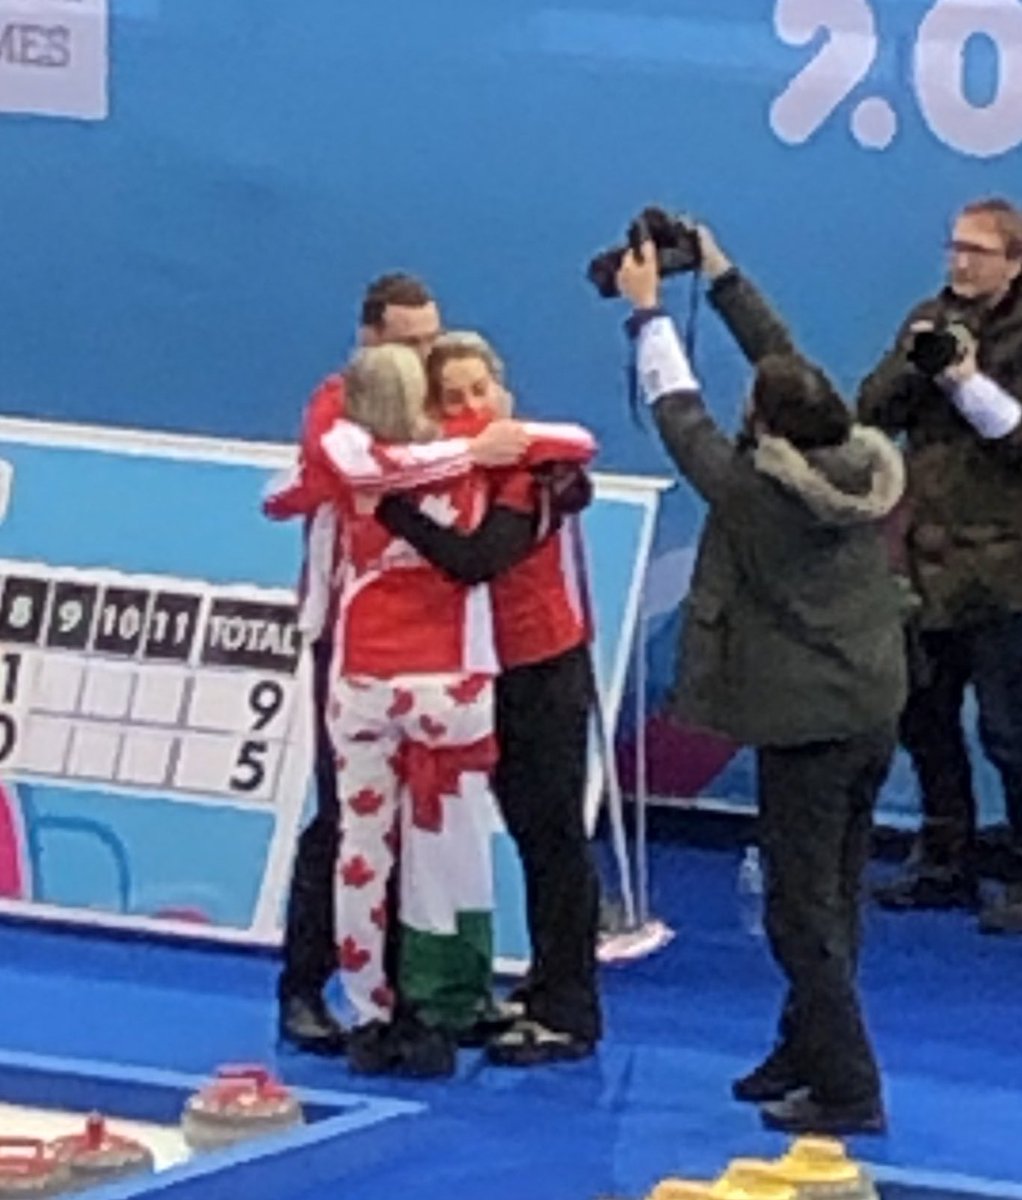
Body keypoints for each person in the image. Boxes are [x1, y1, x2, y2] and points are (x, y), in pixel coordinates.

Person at [614, 227, 906, 1135]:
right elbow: (789, 364)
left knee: (797, 914)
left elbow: (679, 414)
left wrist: (649, 316)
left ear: (767, 425)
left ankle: (851, 1088)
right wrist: (723, 272)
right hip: (870, 705)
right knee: (838, 894)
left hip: (805, 724)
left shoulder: (755, 493)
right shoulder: (857, 456)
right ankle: (805, 1047)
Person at [318, 342, 596, 1075]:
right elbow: (337, 449)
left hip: (537, 665)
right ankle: (437, 996)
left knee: (551, 834)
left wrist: (399, 512)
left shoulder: (526, 464)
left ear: (503, 390)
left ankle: (568, 1006)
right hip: (458, 672)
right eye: (454, 395)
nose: (473, 403)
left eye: (483, 387)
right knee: (441, 840)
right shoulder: (433, 460)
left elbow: (478, 559)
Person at [858, 198, 1022, 933]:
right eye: (955, 246)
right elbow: (872, 409)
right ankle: (945, 861)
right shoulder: (929, 315)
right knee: (923, 718)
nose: (961, 262)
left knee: (1010, 731)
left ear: (1013, 261)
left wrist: (964, 380)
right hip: (924, 563)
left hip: (1005, 566)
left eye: (978, 251)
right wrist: (920, 365)